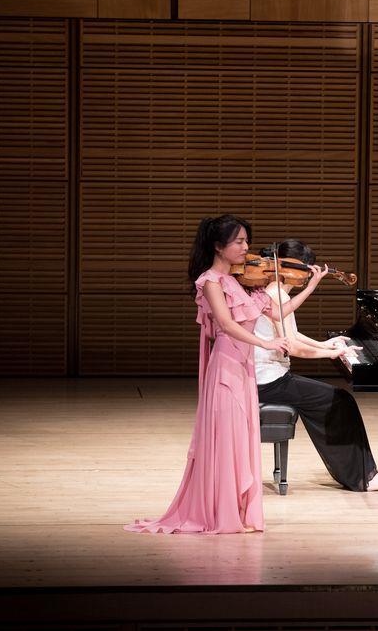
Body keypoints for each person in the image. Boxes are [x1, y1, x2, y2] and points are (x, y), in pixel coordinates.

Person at [126, 216, 328, 534]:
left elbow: (277, 311)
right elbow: (227, 325)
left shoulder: (238, 281)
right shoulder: (211, 281)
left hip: (244, 370)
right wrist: (267, 341)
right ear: (218, 246)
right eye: (239, 242)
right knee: (226, 441)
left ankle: (233, 509)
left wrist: (312, 285)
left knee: (240, 444)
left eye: (247, 241)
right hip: (226, 369)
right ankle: (219, 513)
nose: (246, 247)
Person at [253, 239, 378, 492]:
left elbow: (293, 335)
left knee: (340, 400)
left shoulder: (275, 290)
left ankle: (365, 473)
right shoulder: (277, 294)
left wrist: (328, 345)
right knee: (339, 401)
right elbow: (293, 347)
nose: (306, 276)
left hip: (270, 378)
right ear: (293, 267)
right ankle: (364, 477)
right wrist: (331, 354)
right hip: (268, 382)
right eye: (307, 271)